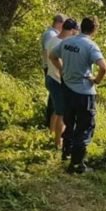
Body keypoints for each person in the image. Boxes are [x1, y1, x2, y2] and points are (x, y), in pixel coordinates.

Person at [49, 16, 106, 173]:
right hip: (84, 92)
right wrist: (96, 80)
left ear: (81, 27)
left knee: (69, 122)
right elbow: (103, 67)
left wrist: (62, 70)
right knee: (85, 127)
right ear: (95, 29)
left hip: (67, 89)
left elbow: (52, 56)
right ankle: (77, 164)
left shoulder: (68, 41)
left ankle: (66, 153)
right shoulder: (90, 46)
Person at [45, 18, 79, 149]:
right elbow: (60, 63)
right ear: (71, 30)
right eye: (75, 32)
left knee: (56, 109)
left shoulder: (53, 39)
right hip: (57, 81)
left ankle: (51, 133)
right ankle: (58, 143)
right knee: (62, 114)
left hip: (50, 78)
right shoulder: (63, 44)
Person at [40, 14, 65, 128]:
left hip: (51, 66)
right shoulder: (51, 34)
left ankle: (51, 125)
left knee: (54, 96)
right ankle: (51, 125)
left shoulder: (52, 33)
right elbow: (50, 51)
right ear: (59, 23)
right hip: (50, 67)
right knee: (55, 97)